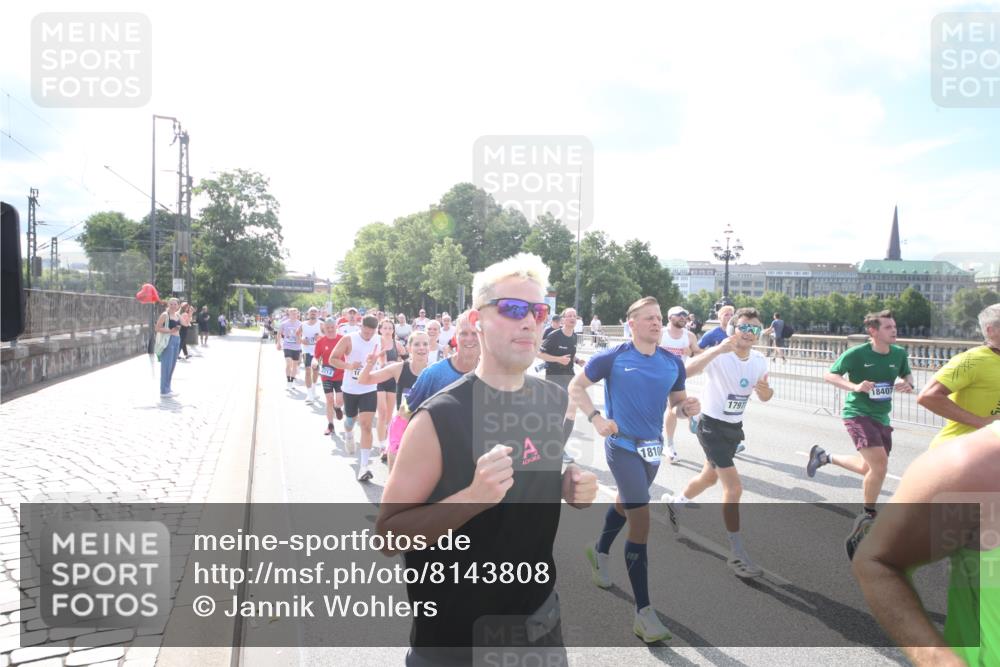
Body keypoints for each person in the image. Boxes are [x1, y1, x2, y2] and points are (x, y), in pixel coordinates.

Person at [377, 253, 598, 666]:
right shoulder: (439, 417)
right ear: (477, 322)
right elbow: (389, 536)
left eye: (538, 311)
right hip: (455, 641)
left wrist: (568, 486)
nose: (529, 321)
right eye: (513, 308)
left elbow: (531, 480)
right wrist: (471, 498)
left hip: (539, 627)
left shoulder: (553, 401)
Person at [569, 296, 700, 643]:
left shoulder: (672, 363)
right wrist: (596, 418)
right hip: (622, 446)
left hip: (652, 449)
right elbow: (576, 386)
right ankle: (644, 613)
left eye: (658, 318)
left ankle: (598, 550)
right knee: (640, 519)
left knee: (626, 503)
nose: (656, 323)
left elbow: (676, 405)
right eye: (649, 318)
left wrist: (687, 408)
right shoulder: (613, 357)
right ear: (632, 324)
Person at [851, 421, 999, 667]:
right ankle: (867, 511)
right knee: (876, 467)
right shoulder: (972, 465)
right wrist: (939, 660)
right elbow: (876, 561)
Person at [662, 308, 773, 578]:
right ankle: (737, 554)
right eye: (744, 327)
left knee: (708, 478)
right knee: (734, 488)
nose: (749, 333)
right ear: (733, 329)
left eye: (755, 329)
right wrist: (717, 350)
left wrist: (765, 391)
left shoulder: (760, 361)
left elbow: (766, 396)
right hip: (710, 426)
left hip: (734, 429)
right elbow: (684, 372)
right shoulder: (720, 355)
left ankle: (675, 503)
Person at [806, 310, 915, 560]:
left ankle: (824, 457)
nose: (894, 330)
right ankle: (867, 515)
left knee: (869, 468)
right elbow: (830, 374)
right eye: (888, 327)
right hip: (857, 414)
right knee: (880, 466)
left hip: (881, 417)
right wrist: (855, 386)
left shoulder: (898, 353)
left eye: (894, 326)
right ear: (873, 331)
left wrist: (909, 383)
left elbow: (906, 372)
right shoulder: (857, 354)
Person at [917, 303, 1000, 448]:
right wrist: (982, 423)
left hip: (991, 451)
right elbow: (928, 396)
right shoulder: (971, 360)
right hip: (959, 451)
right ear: (990, 330)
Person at [359, 330, 430, 470]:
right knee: (395, 470)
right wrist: (369, 364)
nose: (421, 348)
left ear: (429, 347)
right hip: (402, 426)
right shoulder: (399, 368)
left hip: (426, 428)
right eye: (417, 344)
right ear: (409, 348)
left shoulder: (435, 371)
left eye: (425, 344)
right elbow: (364, 380)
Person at [329, 315, 381, 481]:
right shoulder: (349, 339)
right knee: (350, 420)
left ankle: (364, 467)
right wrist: (349, 366)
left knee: (366, 425)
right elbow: (332, 359)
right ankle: (349, 433)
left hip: (369, 388)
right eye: (366, 332)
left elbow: (383, 360)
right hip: (351, 389)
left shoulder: (378, 340)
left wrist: (377, 365)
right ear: (361, 326)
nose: (368, 335)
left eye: (371, 332)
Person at [401, 311, 481, 417]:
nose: (469, 339)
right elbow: (404, 411)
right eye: (463, 333)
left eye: (475, 333)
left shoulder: (493, 375)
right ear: (455, 337)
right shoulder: (433, 374)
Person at [538, 308, 586, 463]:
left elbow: (571, 354)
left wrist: (577, 360)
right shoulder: (554, 335)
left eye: (574, 316)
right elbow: (539, 353)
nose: (572, 318)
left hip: (569, 376)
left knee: (571, 412)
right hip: (554, 377)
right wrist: (558, 359)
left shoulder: (574, 336)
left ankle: (559, 448)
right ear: (563, 319)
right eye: (569, 316)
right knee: (558, 414)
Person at [659, 305, 702, 462]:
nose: (683, 317)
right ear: (670, 317)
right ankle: (691, 415)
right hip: (657, 377)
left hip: (676, 378)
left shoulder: (689, 336)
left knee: (672, 410)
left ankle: (669, 445)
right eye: (679, 315)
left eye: (685, 315)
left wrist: (691, 353)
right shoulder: (661, 333)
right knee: (659, 410)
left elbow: (699, 353)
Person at [373, 318, 407, 456]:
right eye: (385, 328)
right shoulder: (375, 343)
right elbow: (368, 360)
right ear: (380, 330)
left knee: (388, 415)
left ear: (393, 330)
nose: (387, 331)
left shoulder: (397, 344)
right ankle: (382, 445)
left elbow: (407, 360)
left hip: (392, 381)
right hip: (379, 379)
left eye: (390, 328)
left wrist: (397, 364)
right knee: (381, 412)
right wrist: (380, 358)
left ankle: (387, 442)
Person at [311, 318, 345, 436]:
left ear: (336, 327)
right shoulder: (321, 342)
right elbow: (316, 357)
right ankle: (330, 425)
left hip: (341, 374)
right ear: (324, 329)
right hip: (327, 374)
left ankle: (337, 407)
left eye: (332, 327)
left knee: (339, 401)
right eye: (327, 328)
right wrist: (314, 362)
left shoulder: (343, 339)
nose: (330, 330)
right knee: (329, 399)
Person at [156, 298, 183, 397]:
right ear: (168, 305)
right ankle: (164, 391)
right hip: (168, 340)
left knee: (172, 366)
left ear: (178, 305)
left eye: (175, 304)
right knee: (166, 365)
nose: (173, 306)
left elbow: (185, 323)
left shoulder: (177, 315)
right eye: (171, 304)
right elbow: (157, 328)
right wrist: (170, 331)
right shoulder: (165, 315)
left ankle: (168, 388)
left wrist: (190, 313)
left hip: (177, 340)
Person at [300, 307, 324, 404]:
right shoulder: (303, 324)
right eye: (311, 312)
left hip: (318, 351)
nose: (313, 313)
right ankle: (309, 394)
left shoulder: (321, 324)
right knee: (307, 370)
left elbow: (328, 336)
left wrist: (320, 337)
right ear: (308, 314)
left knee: (315, 371)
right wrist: (302, 340)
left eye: (315, 312)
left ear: (318, 314)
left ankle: (313, 388)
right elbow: (297, 335)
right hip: (306, 350)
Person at [276, 308, 302, 388]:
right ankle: (288, 381)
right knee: (288, 363)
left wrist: (302, 340)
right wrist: (278, 343)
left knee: (294, 365)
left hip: (296, 347)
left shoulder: (300, 324)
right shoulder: (284, 323)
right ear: (289, 314)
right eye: (292, 313)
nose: (294, 315)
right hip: (287, 346)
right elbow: (279, 333)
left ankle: (292, 381)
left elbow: (304, 334)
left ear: (297, 314)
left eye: (295, 313)